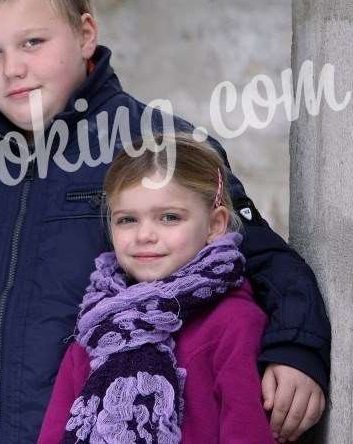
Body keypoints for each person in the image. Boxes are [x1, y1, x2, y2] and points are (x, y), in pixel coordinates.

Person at [0, 0, 329, 443]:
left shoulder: (163, 145)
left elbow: (264, 259)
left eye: (33, 42)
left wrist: (295, 350)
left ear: (84, 35)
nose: (12, 69)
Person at [37, 134, 275, 443]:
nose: (144, 235)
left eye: (169, 217)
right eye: (127, 220)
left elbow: (247, 432)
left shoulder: (234, 323)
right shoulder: (98, 329)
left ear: (215, 225)